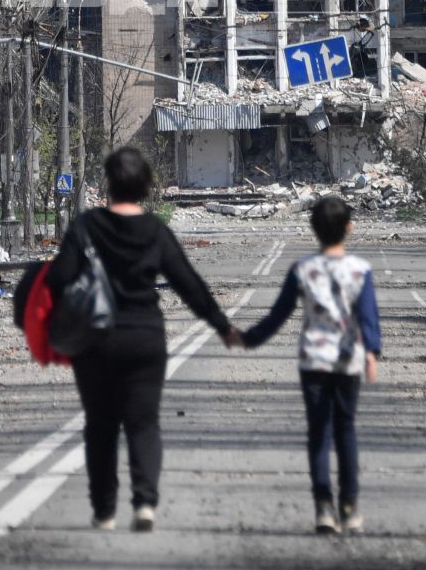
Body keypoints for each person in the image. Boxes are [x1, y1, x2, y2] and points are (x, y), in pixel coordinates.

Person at [46, 146, 238, 532]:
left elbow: (58, 279)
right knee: (144, 423)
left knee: (100, 425)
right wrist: (222, 325)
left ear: (110, 184)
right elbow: (189, 284)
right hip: (144, 339)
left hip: (95, 341)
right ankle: (145, 502)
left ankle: (104, 511)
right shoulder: (155, 231)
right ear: (145, 186)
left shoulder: (86, 226)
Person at [240, 194, 382, 535]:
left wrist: (248, 338)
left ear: (312, 228)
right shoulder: (360, 271)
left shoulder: (302, 269)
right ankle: (349, 505)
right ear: (349, 228)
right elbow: (368, 318)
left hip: (313, 362)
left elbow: (277, 315)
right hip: (347, 362)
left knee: (318, 432)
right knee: (345, 431)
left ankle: (323, 507)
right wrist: (372, 354)